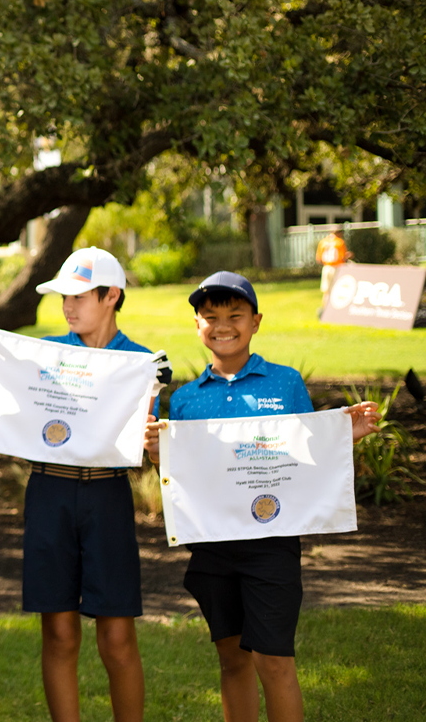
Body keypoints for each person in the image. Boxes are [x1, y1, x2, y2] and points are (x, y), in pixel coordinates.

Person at [144, 272, 379, 722]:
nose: (222, 325)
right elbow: (184, 475)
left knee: (273, 661)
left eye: (235, 315)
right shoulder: (187, 399)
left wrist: (343, 434)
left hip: (271, 548)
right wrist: (159, 456)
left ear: (256, 322)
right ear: (197, 325)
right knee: (232, 660)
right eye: (210, 317)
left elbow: (306, 457)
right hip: (212, 548)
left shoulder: (285, 384)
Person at [23, 247, 157, 722]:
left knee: (117, 637)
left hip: (106, 496)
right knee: (58, 632)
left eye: (79, 296)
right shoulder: (43, 353)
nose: (68, 307)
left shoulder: (143, 364)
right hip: (48, 493)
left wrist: (153, 434)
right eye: (63, 297)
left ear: (111, 295)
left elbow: (149, 446)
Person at [315, 231, 349, 304]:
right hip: (337, 267)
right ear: (339, 233)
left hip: (326, 267)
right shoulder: (339, 242)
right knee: (337, 289)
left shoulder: (323, 242)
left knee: (326, 291)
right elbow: (343, 257)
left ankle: (325, 308)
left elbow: (318, 258)